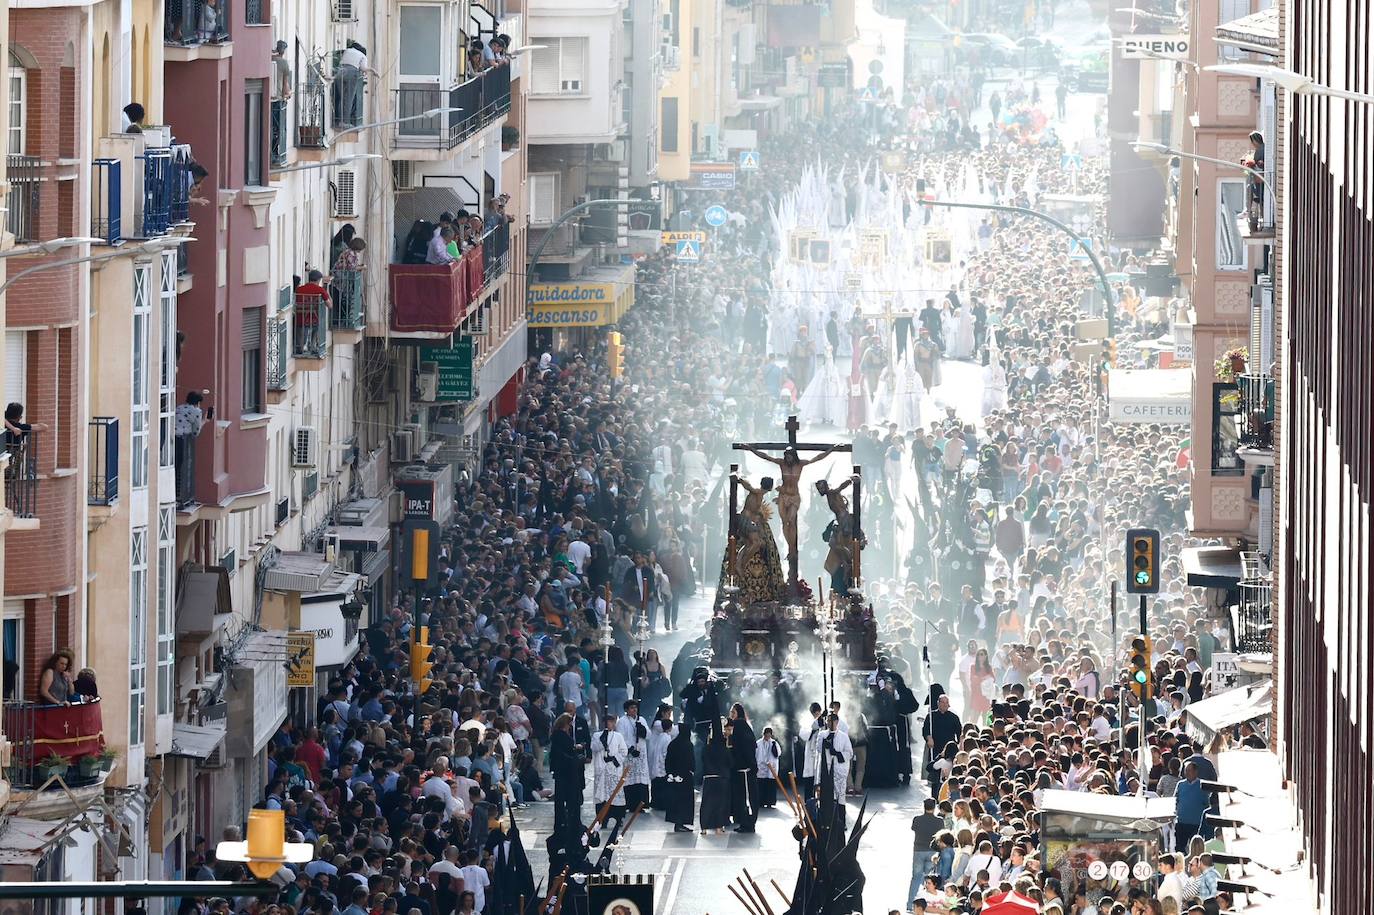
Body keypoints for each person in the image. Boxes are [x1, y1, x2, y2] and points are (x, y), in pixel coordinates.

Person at [592, 710, 628, 828]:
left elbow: (624, 751)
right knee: (602, 796)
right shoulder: (597, 735)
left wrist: (614, 759)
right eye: (608, 722)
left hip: (614, 769)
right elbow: (594, 747)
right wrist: (602, 741)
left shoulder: (618, 736)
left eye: (612, 722)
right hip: (602, 769)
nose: (610, 724)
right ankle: (602, 819)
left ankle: (618, 818)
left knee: (615, 794)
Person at [173, 392, 211, 507]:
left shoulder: (179, 407)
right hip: (182, 440)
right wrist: (205, 421)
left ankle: (175, 493)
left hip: (172, 438)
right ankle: (177, 494)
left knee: (175, 465)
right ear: (198, 403)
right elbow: (196, 432)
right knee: (180, 467)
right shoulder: (197, 412)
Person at [614, 698, 651, 811]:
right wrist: (630, 749)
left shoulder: (642, 719)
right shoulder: (622, 721)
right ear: (626, 710)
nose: (634, 710)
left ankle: (642, 803)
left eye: (635, 708)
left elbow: (648, 735)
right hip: (630, 754)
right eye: (631, 708)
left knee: (641, 779)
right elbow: (621, 737)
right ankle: (631, 804)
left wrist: (642, 730)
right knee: (630, 777)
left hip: (641, 754)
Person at [726, 704, 758, 832]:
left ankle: (748, 823)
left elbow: (743, 748)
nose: (731, 715)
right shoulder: (743, 726)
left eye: (733, 712)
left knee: (745, 798)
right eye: (731, 712)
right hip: (743, 768)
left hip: (744, 768)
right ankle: (746, 822)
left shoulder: (739, 725)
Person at [699, 721, 732, 834]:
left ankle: (704, 828)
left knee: (707, 803)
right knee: (720, 804)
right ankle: (719, 827)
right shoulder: (725, 749)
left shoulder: (707, 748)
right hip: (721, 778)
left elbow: (703, 760)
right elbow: (730, 763)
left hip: (709, 778)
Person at [909, 797, 944, 903]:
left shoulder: (917, 819)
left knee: (916, 878)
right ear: (934, 808)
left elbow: (913, 828)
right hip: (932, 851)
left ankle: (911, 903)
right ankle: (926, 903)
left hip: (918, 850)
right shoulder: (939, 821)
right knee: (929, 879)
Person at [663, 720, 695, 832]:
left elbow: (667, 761)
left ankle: (677, 822)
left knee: (675, 801)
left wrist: (670, 774)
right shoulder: (688, 744)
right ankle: (681, 823)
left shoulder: (673, 744)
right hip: (685, 777)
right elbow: (691, 762)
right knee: (684, 801)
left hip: (674, 778)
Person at [755, 725, 781, 808]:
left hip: (771, 768)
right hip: (761, 766)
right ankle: (761, 802)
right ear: (764, 734)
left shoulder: (774, 743)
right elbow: (756, 754)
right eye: (766, 734)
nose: (768, 736)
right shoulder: (758, 743)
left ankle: (770, 802)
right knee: (761, 784)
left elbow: (778, 753)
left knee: (770, 785)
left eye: (769, 734)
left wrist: (773, 747)